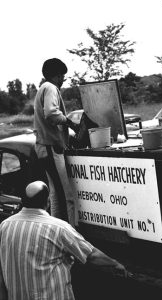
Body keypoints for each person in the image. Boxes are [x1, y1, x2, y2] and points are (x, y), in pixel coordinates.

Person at [0, 181, 127, 300]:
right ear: (48, 202)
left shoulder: (5, 225)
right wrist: (115, 264)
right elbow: (91, 255)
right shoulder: (58, 228)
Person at [34, 58, 79, 226]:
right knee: (68, 197)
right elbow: (51, 113)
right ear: (56, 76)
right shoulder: (51, 88)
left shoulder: (42, 89)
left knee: (55, 194)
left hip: (43, 148)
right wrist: (69, 122)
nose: (63, 80)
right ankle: (72, 234)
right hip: (51, 147)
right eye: (62, 76)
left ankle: (57, 229)